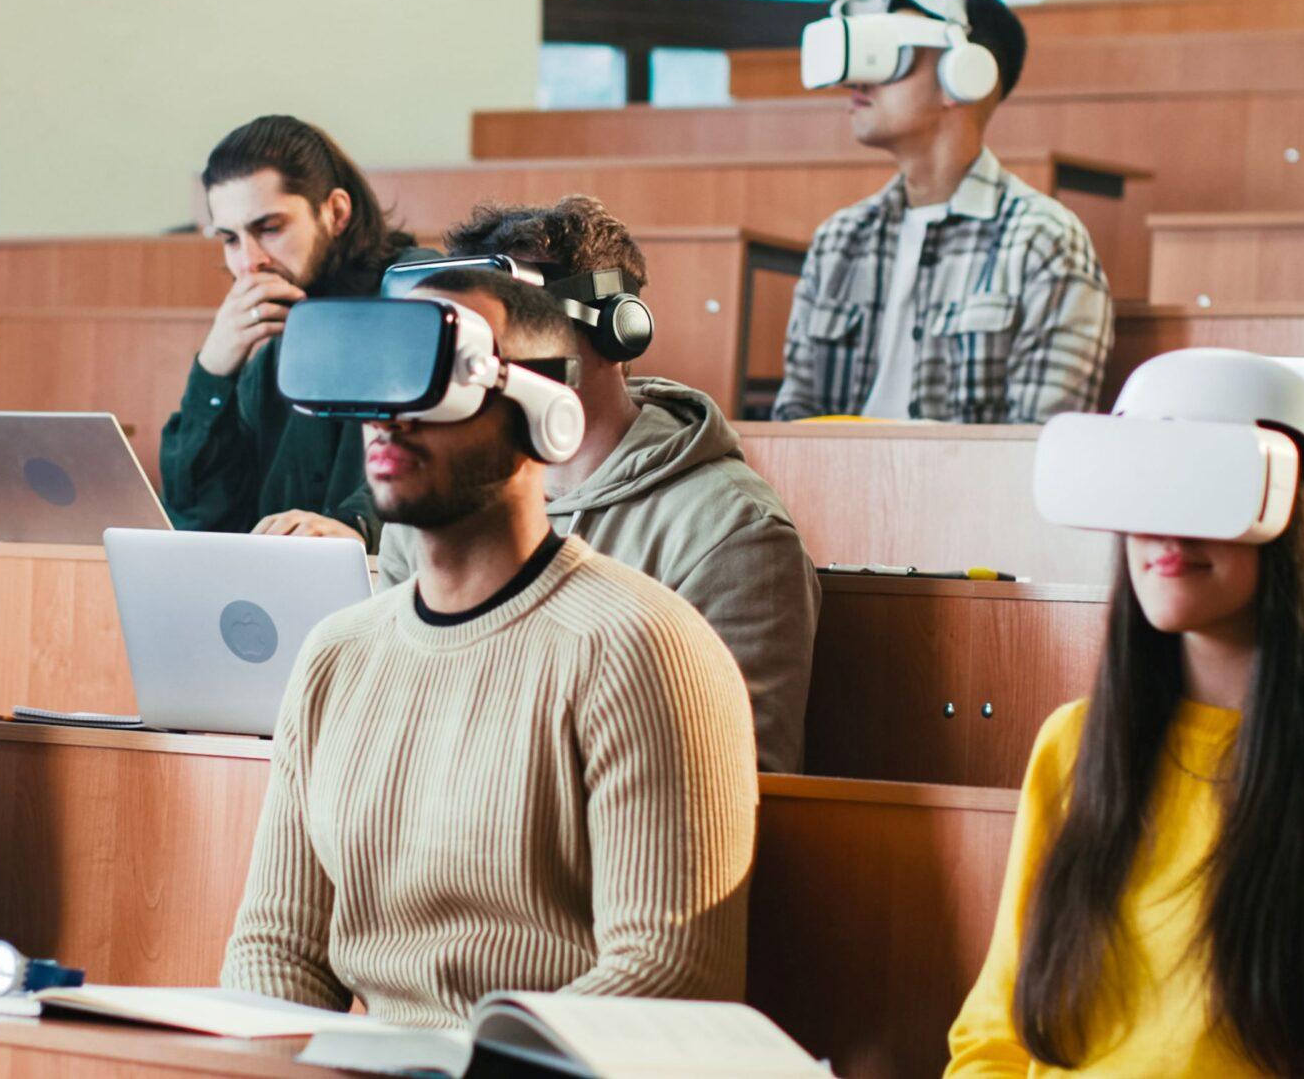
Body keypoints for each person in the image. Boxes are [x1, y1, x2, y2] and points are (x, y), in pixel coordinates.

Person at [220, 271, 756, 1028]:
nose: (391, 416)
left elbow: (667, 976)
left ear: (545, 417)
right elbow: (278, 949)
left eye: (438, 378)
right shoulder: (336, 656)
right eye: (382, 378)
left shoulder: (645, 650)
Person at [948, 350, 1304, 1077]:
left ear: (1299, 509)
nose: (1167, 527)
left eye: (1205, 482)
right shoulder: (1071, 746)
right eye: (1147, 482)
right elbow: (993, 1041)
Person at [376, 197, 822, 771]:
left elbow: (738, 780)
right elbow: (388, 725)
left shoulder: (732, 533)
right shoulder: (434, 501)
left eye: (511, 326)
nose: (478, 364)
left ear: (617, 332)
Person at [773, 0, 1112, 424]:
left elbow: (1038, 444)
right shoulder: (838, 241)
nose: (859, 79)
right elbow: (795, 422)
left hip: (968, 493)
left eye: (894, 55)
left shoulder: (1044, 241)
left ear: (964, 75)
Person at [158, 114, 427, 544]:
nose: (248, 262)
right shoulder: (267, 332)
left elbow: (445, 461)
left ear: (336, 212)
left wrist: (356, 527)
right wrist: (214, 371)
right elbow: (198, 518)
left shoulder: (420, 296)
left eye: (269, 228)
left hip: (389, 591)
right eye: (230, 239)